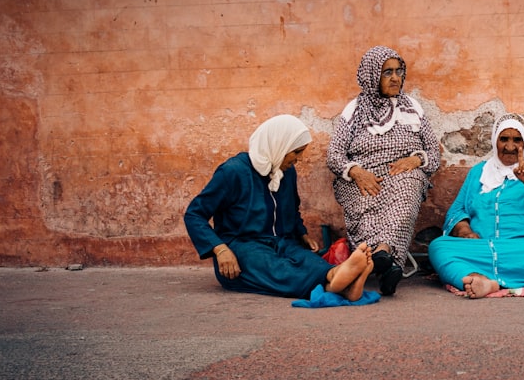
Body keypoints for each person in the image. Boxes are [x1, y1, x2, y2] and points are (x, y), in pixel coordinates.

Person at [185, 114, 374, 300]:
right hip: (242, 247)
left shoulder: (287, 172)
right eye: (297, 152)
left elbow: (292, 209)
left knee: (309, 261)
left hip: (281, 242)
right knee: (277, 268)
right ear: (279, 145)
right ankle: (337, 281)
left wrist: (302, 234)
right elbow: (194, 214)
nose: (299, 159)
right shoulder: (233, 172)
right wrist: (221, 250)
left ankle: (339, 281)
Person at [327, 46, 441, 295]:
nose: (395, 77)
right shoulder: (354, 110)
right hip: (361, 178)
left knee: (408, 187)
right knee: (366, 202)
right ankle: (387, 265)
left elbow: (434, 152)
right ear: (371, 75)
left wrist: (416, 160)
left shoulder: (412, 108)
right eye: (386, 72)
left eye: (398, 71)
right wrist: (356, 172)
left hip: (402, 173)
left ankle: (382, 254)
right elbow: (334, 155)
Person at [428, 113, 524, 298]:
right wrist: (465, 232)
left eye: (517, 140)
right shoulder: (479, 172)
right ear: (495, 140)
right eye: (504, 139)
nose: (510, 147)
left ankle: (478, 277)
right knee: (439, 247)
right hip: (484, 248)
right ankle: (479, 280)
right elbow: (457, 210)